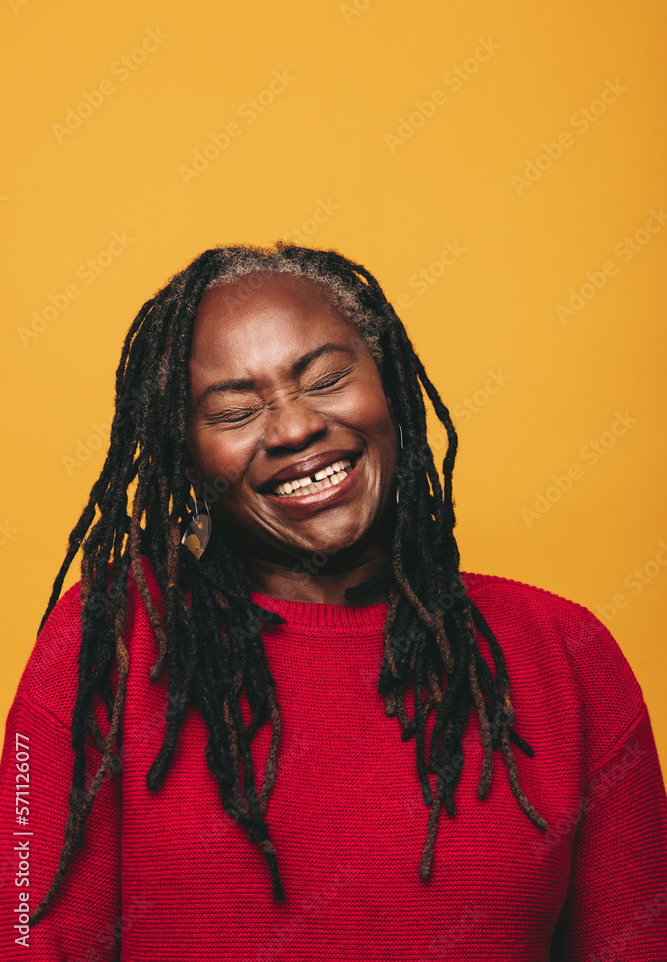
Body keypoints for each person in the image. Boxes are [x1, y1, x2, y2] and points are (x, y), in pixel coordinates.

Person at [1, 242, 666, 961]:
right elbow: (28, 936)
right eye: (233, 411)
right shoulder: (108, 642)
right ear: (185, 457)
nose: (293, 429)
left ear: (389, 385)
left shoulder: (562, 654)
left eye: (325, 379)